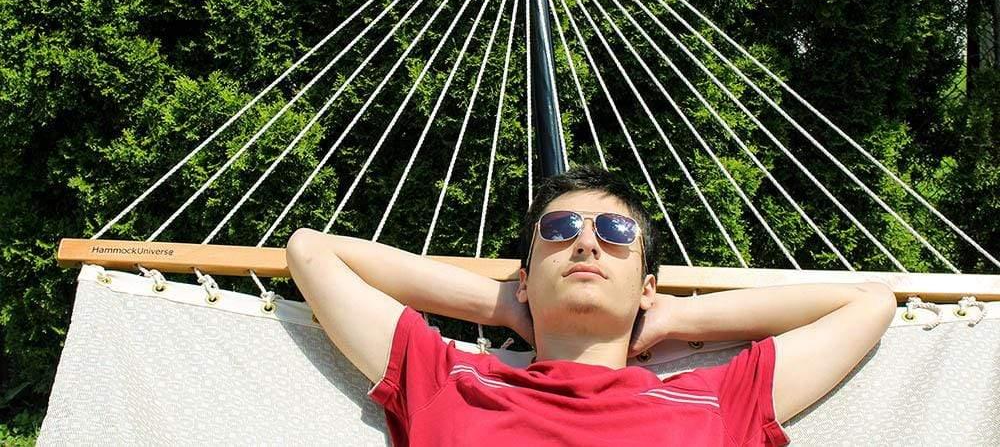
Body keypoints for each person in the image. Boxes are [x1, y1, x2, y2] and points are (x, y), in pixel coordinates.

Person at [287, 165, 896, 446]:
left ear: (647, 284)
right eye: (558, 231)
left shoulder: (713, 398)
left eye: (615, 232)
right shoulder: (450, 379)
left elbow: (868, 303)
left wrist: (674, 319)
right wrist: (504, 304)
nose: (585, 241)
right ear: (527, 275)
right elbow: (311, 253)